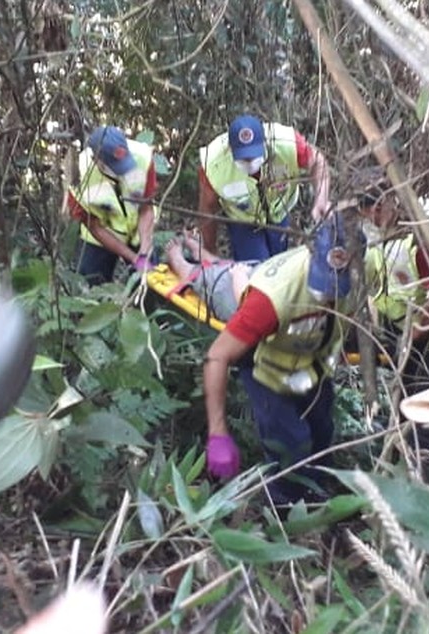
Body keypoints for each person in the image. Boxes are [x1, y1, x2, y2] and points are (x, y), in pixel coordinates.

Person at [202, 211, 364, 504]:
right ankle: (283, 509)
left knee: (322, 432)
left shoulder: (363, 273)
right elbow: (217, 356)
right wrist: (217, 432)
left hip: (309, 360)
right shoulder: (272, 298)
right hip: (265, 362)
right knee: (290, 444)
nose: (329, 295)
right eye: (323, 286)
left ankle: (312, 493)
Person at [353, 172, 429, 477]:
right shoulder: (374, 243)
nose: (374, 212)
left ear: (393, 200)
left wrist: (413, 342)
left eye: (378, 204)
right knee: (404, 417)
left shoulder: (419, 241)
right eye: (366, 206)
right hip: (402, 339)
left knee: (428, 419)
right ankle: (410, 480)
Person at [197, 114, 330, 263]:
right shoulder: (214, 164)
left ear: (264, 143)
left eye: (253, 157)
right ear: (230, 150)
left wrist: (321, 199)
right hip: (243, 220)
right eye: (243, 158)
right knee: (256, 270)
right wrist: (209, 250)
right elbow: (207, 209)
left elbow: (318, 162)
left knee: (277, 263)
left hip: (279, 212)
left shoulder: (286, 144)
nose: (249, 163)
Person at [67, 126, 159, 284]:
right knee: (92, 288)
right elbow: (95, 227)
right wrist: (132, 258)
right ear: (97, 161)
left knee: (152, 282)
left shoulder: (142, 158)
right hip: (100, 235)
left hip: (137, 229)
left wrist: (144, 252)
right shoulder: (80, 176)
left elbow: (146, 207)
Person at [163, 229, 258, 322]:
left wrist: (239, 275)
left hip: (242, 301)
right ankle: (204, 256)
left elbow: (249, 310)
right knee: (241, 269)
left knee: (228, 277)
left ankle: (184, 267)